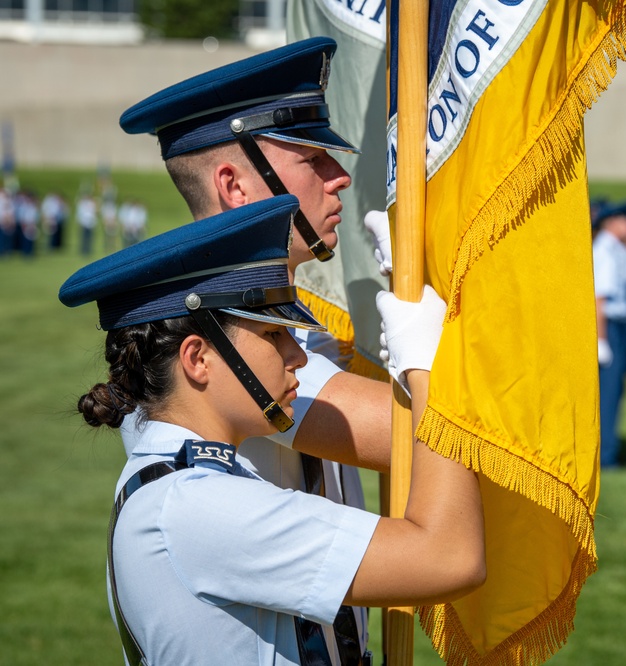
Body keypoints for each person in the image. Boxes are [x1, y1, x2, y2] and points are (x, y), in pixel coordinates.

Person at [59, 196, 484, 666]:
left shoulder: (184, 486)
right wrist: (428, 367)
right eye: (272, 335)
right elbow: (449, 556)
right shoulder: (197, 506)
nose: (297, 356)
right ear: (198, 359)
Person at [116, 37, 396, 658]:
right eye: (312, 158)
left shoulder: (278, 337)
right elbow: (425, 433)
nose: (340, 176)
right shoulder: (235, 352)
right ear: (235, 186)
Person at [592, 200, 626, 467]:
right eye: (624, 219)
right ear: (612, 222)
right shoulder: (606, 252)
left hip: (615, 326)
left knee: (614, 390)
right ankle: (606, 454)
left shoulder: (613, 249)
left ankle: (608, 450)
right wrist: (602, 339)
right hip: (609, 326)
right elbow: (600, 300)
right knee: (609, 393)